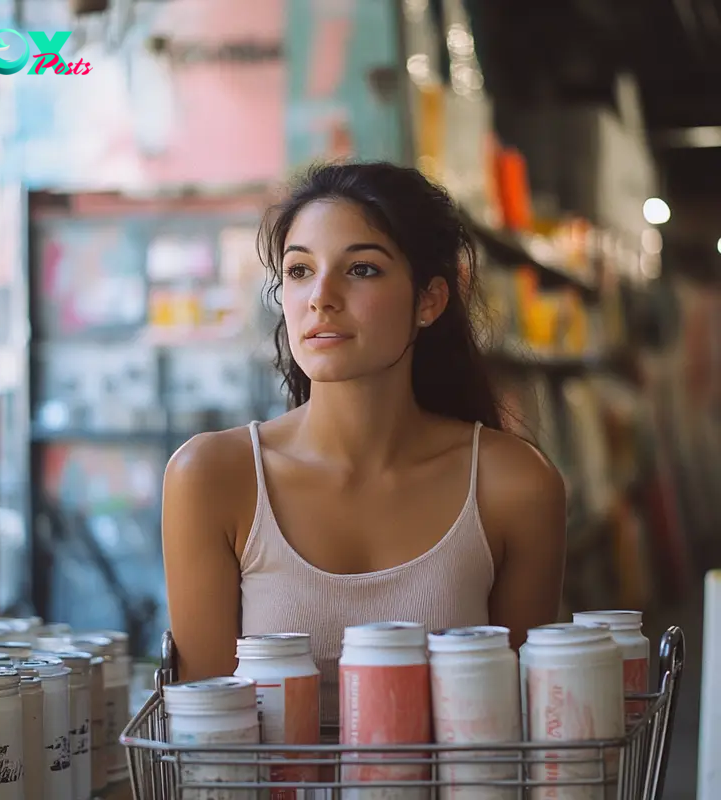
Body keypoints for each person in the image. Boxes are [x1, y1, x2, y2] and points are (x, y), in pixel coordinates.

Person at [162, 161, 567, 724]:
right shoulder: (211, 478)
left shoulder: (514, 484)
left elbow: (524, 726)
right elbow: (205, 742)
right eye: (299, 270)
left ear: (429, 300)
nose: (321, 297)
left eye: (362, 270)